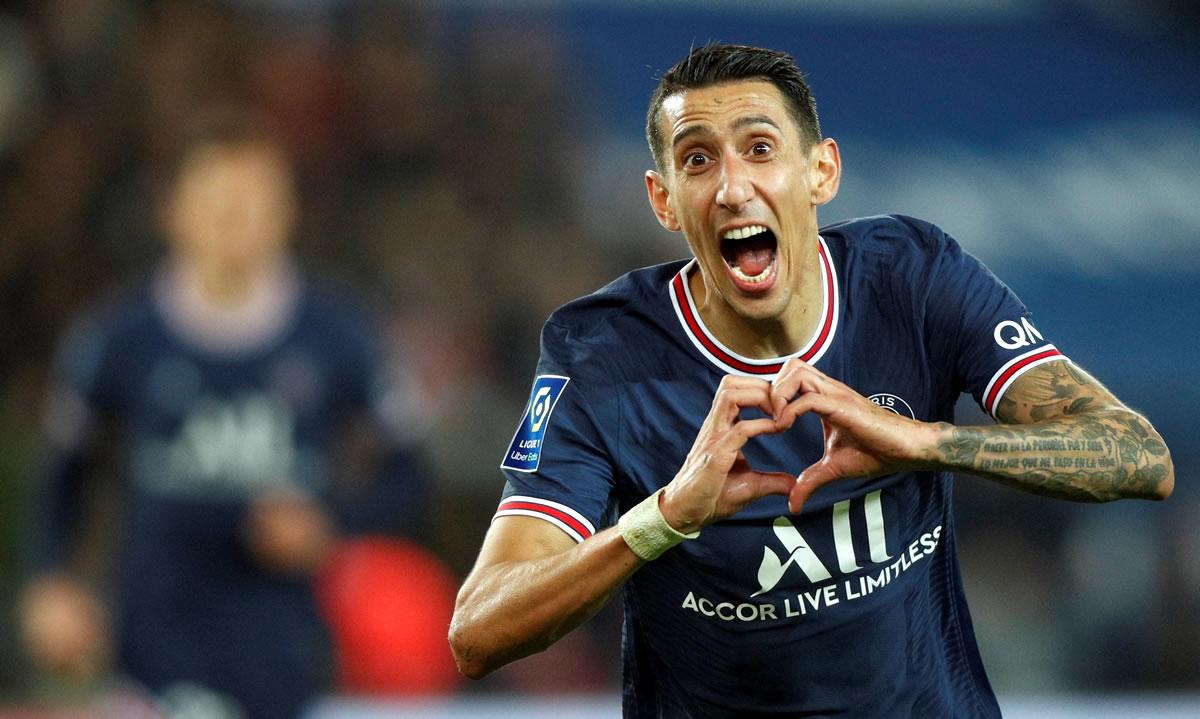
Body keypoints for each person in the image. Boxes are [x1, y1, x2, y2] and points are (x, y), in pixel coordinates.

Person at [448, 44, 1174, 717]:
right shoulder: (602, 354)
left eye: (760, 149)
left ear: (821, 171)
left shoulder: (913, 281)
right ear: (663, 199)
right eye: (697, 160)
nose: (732, 187)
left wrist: (925, 442)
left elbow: (1140, 456)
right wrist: (664, 517)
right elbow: (478, 632)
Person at [20, 108, 428, 719]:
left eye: (253, 200)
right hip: (152, 646)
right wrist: (52, 580)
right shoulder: (117, 339)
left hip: (286, 648)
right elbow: (62, 470)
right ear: (172, 210)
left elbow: (409, 471)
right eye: (216, 200)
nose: (234, 219)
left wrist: (330, 526)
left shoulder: (339, 337)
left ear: (286, 212)